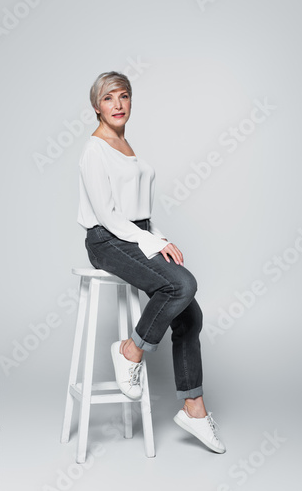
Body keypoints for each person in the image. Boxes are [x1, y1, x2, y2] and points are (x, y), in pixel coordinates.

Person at [77, 71, 226, 454]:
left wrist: (156, 237)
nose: (118, 105)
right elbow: (109, 216)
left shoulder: (126, 145)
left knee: (191, 317)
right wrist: (150, 240)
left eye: (124, 96)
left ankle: (194, 410)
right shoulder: (94, 151)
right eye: (109, 98)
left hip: (134, 232)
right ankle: (130, 350)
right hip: (107, 240)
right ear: (97, 106)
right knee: (181, 284)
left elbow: (138, 212)